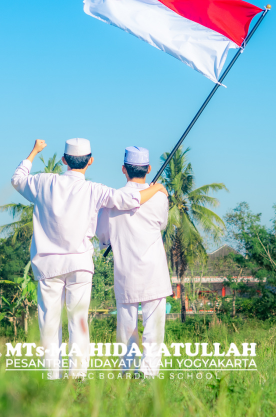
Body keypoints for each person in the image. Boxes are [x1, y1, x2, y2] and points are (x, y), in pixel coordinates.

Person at [11, 138, 167, 380]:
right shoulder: (95, 190)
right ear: (90, 161)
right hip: (80, 266)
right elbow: (128, 200)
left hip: (48, 266)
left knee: (49, 323)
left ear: (64, 160)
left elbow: (17, 179)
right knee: (78, 321)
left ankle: (52, 376)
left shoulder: (43, 182)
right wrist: (156, 188)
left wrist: (34, 152)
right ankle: (78, 375)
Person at [97, 146, 172, 378]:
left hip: (125, 271)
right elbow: (162, 225)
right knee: (154, 329)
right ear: (148, 169)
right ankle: (148, 375)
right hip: (153, 271)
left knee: (126, 329)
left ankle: (127, 373)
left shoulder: (110, 200)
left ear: (123, 170)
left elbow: (103, 237)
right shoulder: (159, 196)